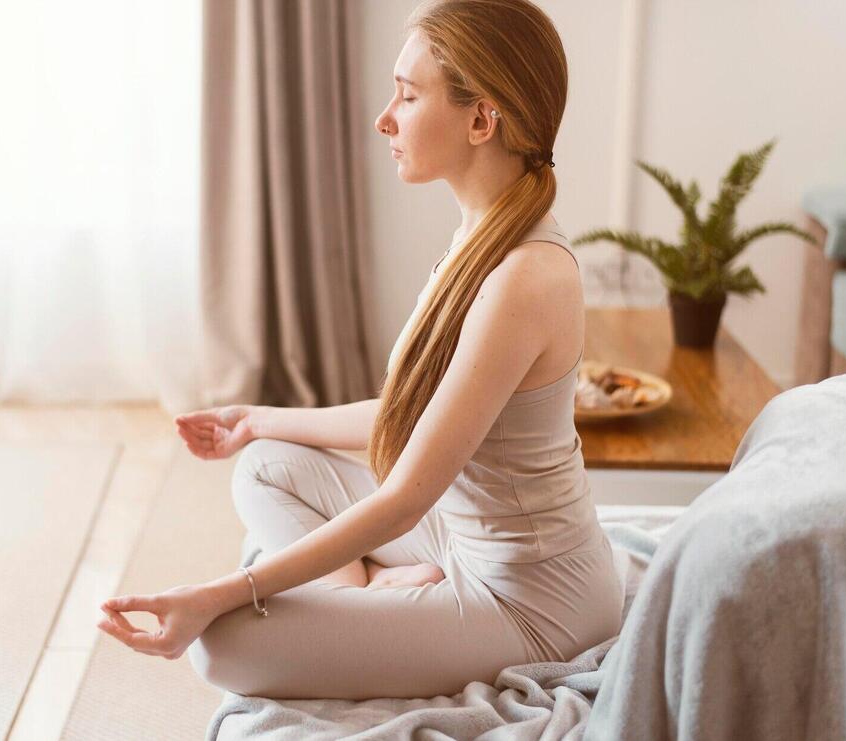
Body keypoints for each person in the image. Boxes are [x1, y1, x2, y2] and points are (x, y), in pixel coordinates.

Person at [96, 0, 623, 700]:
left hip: (531, 598)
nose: (385, 118)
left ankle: (368, 597)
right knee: (263, 465)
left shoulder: (526, 277)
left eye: (408, 95)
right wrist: (259, 417)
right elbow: (416, 418)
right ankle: (372, 587)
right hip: (455, 540)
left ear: (480, 119)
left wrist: (221, 592)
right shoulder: (482, 235)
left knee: (222, 645)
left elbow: (405, 496)